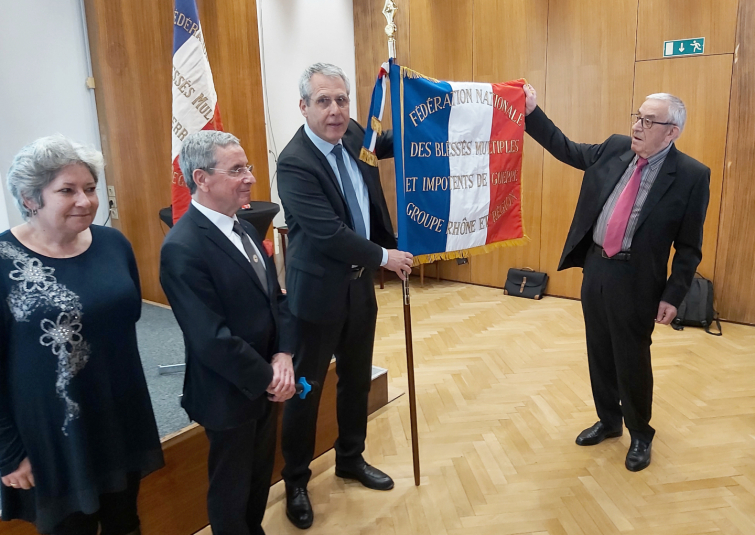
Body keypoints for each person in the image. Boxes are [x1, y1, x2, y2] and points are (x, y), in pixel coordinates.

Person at [523, 85, 710, 471]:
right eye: (637, 117)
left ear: (671, 131)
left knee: (632, 358)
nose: (637, 127)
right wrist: (531, 112)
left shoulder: (691, 176)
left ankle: (641, 433)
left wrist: (674, 296)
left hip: (637, 280)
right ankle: (609, 421)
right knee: (599, 352)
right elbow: (567, 148)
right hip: (597, 268)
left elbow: (689, 248)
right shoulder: (614, 148)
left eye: (648, 121)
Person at [0, 135, 164, 534]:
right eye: (67, 190)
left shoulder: (112, 243)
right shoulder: (4, 262)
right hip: (52, 432)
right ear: (30, 198)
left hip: (119, 413)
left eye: (90, 188)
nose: (85, 201)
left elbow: (126, 321)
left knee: (125, 520)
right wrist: (7, 454)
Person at [276, 62, 413, 529]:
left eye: (341, 100)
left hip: (359, 291)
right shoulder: (294, 162)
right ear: (303, 107)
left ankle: (351, 458)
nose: (335, 111)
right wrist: (384, 256)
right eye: (323, 101)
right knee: (306, 390)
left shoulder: (353, 133)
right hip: (316, 297)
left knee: (356, 379)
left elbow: (384, 145)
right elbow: (327, 233)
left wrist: (426, 117)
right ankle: (296, 479)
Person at [160, 130, 296, 535]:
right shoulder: (183, 248)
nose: (250, 178)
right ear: (201, 178)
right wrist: (269, 377)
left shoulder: (247, 229)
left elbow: (277, 300)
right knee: (230, 492)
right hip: (228, 392)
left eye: (248, 167)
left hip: (266, 385)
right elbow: (210, 339)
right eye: (237, 170)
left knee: (257, 481)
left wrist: (285, 354)